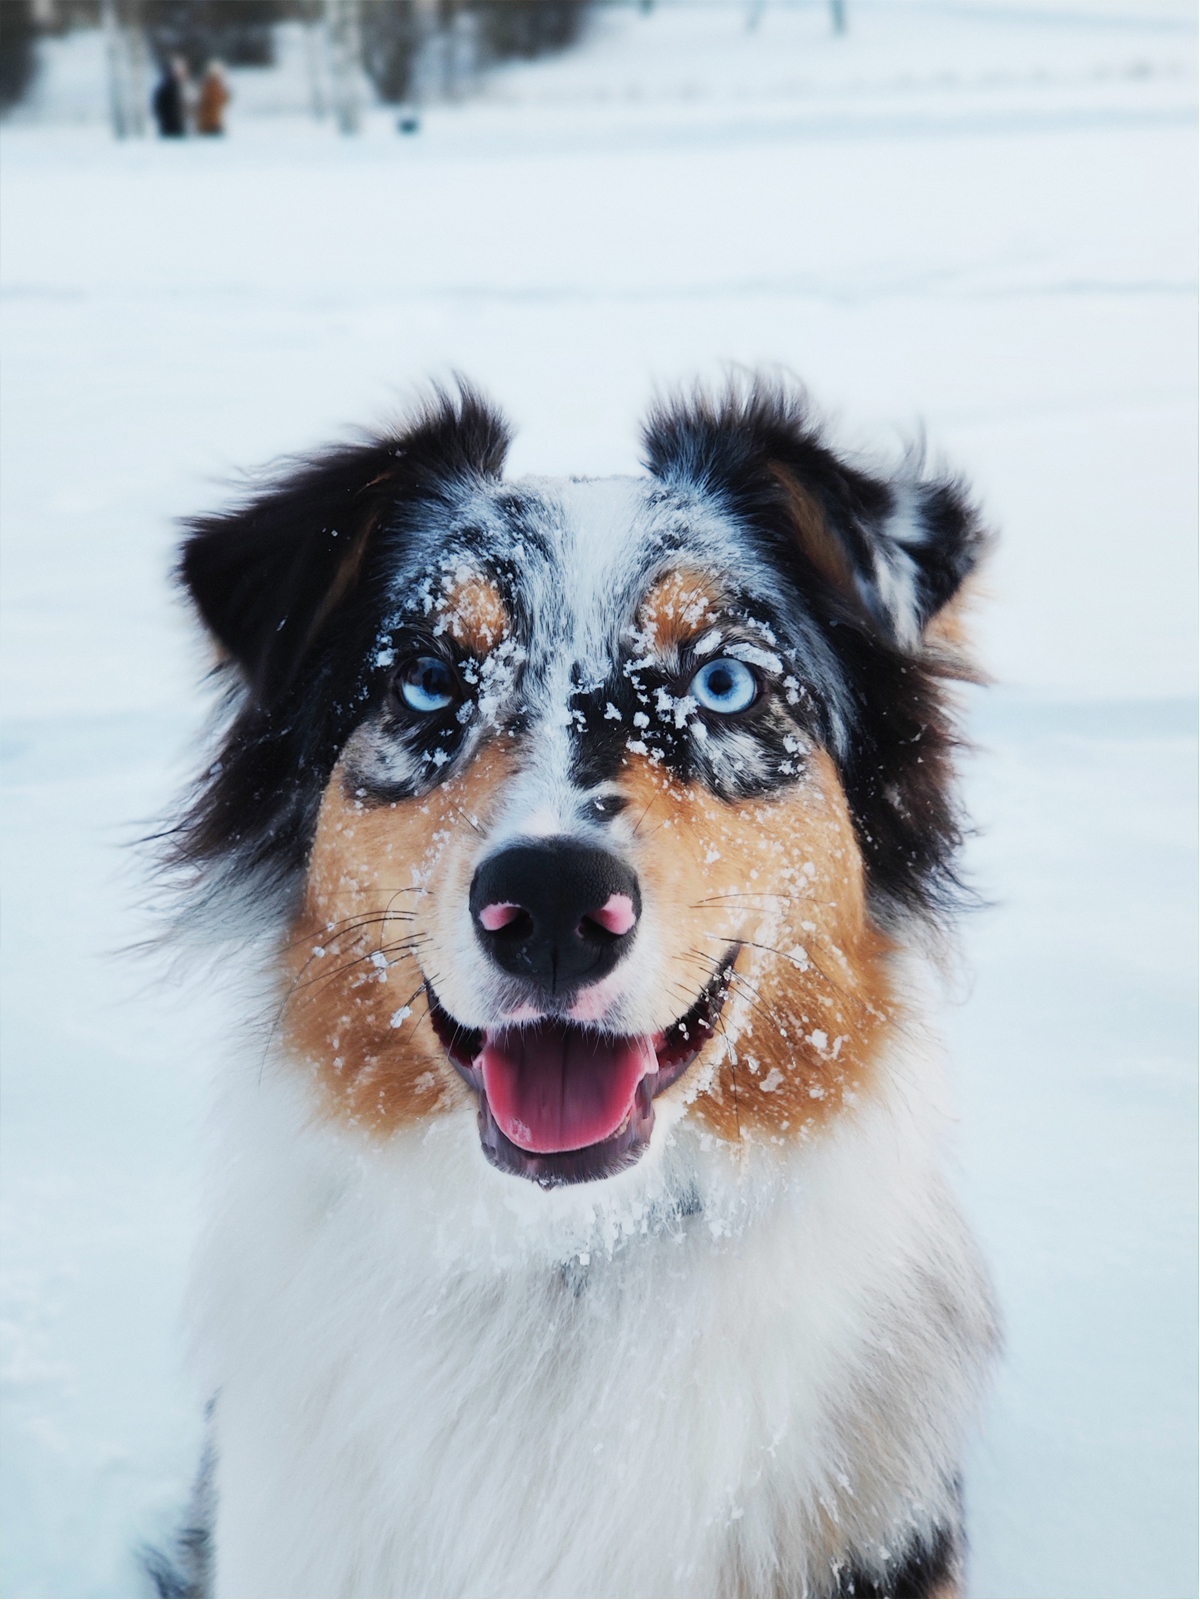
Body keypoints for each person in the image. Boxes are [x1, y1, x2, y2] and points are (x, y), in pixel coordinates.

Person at [152, 56, 188, 138]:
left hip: (177, 127)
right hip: (170, 129)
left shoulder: (177, 86)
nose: (182, 74)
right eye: (180, 71)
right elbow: (158, 107)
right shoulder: (167, 87)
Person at [196, 60, 230, 137]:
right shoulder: (209, 87)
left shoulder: (216, 86)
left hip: (214, 123)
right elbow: (206, 104)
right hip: (208, 125)